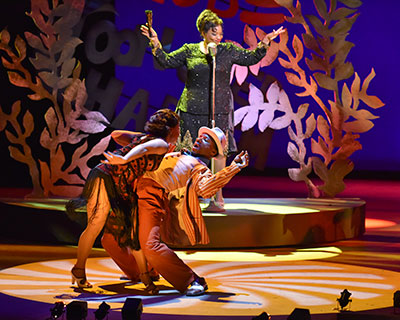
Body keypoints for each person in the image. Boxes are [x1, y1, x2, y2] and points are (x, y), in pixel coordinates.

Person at [140, 9, 285, 208]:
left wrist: (265, 42)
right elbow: (166, 61)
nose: (219, 37)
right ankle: (186, 195)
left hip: (219, 109)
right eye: (214, 33)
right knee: (188, 152)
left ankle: (217, 196)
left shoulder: (227, 51)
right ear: (204, 32)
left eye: (220, 33)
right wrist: (155, 43)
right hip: (191, 108)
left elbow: (250, 58)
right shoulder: (189, 50)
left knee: (219, 153)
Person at [101, 126, 249, 296]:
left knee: (150, 245)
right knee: (110, 239)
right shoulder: (173, 150)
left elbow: (206, 189)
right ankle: (143, 272)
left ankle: (192, 280)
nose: (199, 139)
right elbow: (118, 135)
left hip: (153, 197)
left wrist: (233, 168)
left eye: (206, 139)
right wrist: (145, 137)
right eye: (200, 136)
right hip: (132, 194)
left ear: (213, 151)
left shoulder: (199, 168)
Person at [65, 109, 180, 293]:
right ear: (172, 130)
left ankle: (82, 270)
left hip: (115, 180)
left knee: (130, 230)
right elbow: (142, 149)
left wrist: (142, 138)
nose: (180, 133)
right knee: (96, 224)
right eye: (178, 128)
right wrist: (125, 158)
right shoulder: (159, 143)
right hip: (108, 176)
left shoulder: (149, 141)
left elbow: (124, 138)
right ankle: (81, 270)